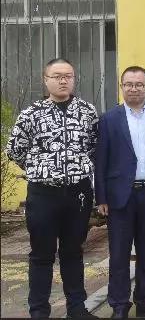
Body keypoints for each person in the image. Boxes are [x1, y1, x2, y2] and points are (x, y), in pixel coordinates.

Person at [6, 58, 99, 319]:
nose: (63, 81)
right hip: (43, 194)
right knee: (41, 254)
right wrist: (42, 168)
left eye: (68, 76)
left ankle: (77, 308)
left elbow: (93, 147)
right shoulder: (31, 114)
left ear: (74, 79)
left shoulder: (87, 111)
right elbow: (15, 150)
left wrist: (76, 167)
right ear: (45, 80)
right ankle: (39, 311)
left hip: (78, 193)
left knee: (73, 251)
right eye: (57, 76)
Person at [95, 67, 145, 319]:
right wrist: (101, 197)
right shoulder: (109, 119)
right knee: (119, 254)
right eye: (128, 84)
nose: (134, 89)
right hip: (120, 196)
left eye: (139, 84)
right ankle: (119, 305)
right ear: (121, 87)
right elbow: (101, 160)